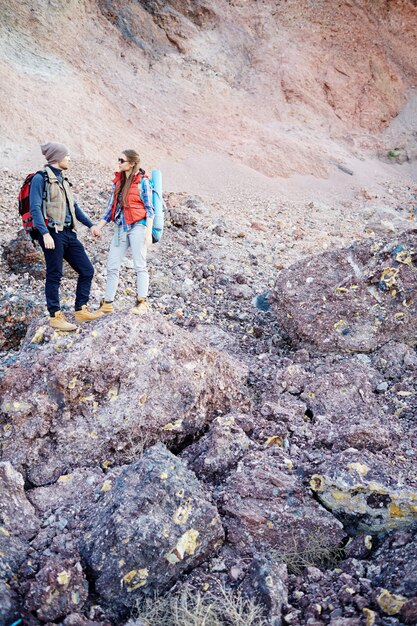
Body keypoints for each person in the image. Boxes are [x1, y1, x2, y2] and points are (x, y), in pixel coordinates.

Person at [30, 142, 103, 331]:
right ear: (57, 158)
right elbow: (35, 208)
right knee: (55, 274)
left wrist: (91, 225)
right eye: (67, 155)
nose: (69, 158)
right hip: (52, 233)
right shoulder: (40, 179)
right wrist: (44, 233)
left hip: (69, 233)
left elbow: (75, 208)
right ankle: (55, 316)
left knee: (87, 270)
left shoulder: (64, 180)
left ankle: (81, 309)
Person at [91, 149, 154, 315]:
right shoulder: (118, 182)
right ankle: (107, 304)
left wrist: (148, 233)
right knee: (112, 265)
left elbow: (150, 209)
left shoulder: (143, 182)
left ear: (132, 163)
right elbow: (110, 208)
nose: (118, 163)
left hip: (138, 226)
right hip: (120, 227)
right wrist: (98, 226)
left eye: (122, 160)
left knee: (140, 265)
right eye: (118, 160)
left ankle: (142, 302)